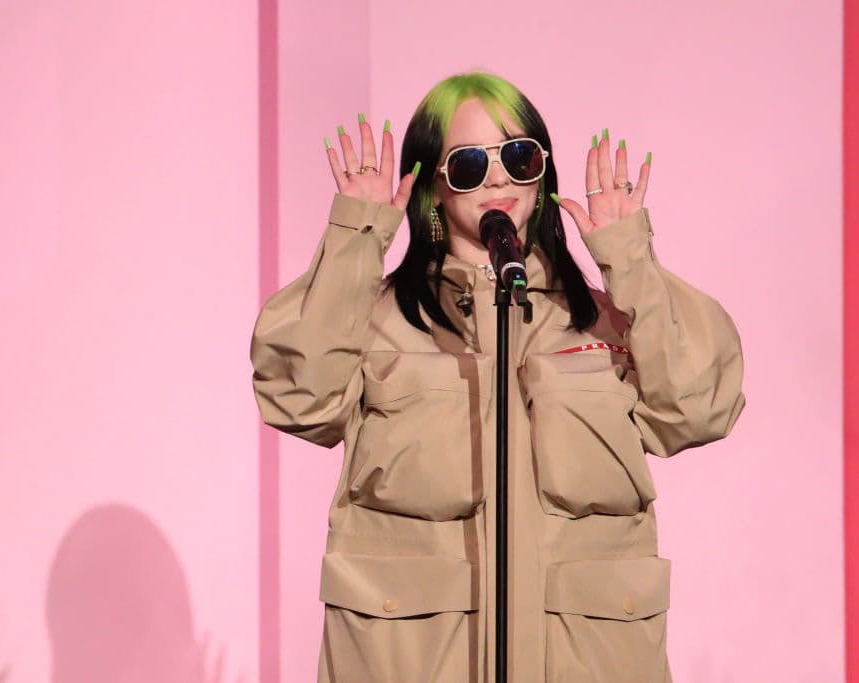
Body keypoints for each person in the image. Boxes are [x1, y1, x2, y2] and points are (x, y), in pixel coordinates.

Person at [250, 71, 746, 683]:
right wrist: (356, 236)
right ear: (433, 183)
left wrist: (631, 258)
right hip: (410, 660)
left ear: (542, 172)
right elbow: (301, 400)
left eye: (518, 156)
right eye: (466, 164)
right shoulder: (377, 319)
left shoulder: (604, 321)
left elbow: (699, 410)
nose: (496, 178)